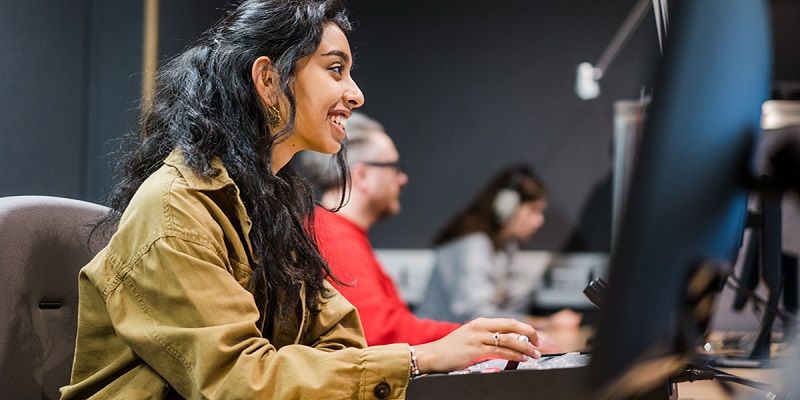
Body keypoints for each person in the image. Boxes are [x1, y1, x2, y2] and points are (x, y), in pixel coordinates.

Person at [60, 1, 541, 399]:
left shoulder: (272, 205)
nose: (356, 94)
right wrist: (419, 358)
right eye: (336, 70)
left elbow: (338, 338)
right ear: (268, 80)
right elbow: (239, 383)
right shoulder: (175, 210)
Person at [298, 112, 461, 346]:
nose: (402, 178)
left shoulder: (334, 230)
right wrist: (470, 338)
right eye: (394, 166)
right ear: (363, 175)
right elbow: (380, 333)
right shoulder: (332, 237)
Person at [417, 165, 582, 328]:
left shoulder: (505, 247)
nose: (540, 221)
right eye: (533, 210)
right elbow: (474, 314)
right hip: (435, 343)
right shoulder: (473, 245)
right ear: (505, 207)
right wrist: (545, 323)